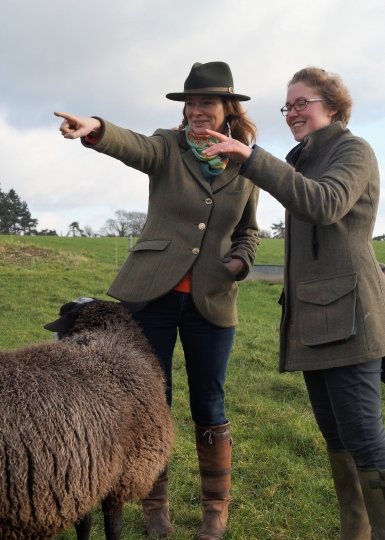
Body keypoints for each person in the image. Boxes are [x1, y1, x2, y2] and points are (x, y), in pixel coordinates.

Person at [203, 67, 385, 539]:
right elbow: (343, 235)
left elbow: (326, 205)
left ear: (333, 107)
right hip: (315, 319)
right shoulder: (304, 159)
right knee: (337, 440)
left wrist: (254, 158)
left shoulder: (352, 150)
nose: (292, 112)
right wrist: (376, 266)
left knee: (363, 436)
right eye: (288, 105)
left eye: (303, 103)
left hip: (352, 321)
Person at [55, 61, 259, 540]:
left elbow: (249, 230)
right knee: (152, 402)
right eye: (189, 104)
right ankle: (154, 506)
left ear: (227, 107)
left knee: (209, 403)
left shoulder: (248, 162)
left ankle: (214, 511)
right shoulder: (168, 147)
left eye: (205, 103)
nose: (195, 111)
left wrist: (241, 262)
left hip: (213, 300)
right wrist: (97, 130)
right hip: (153, 297)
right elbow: (134, 147)